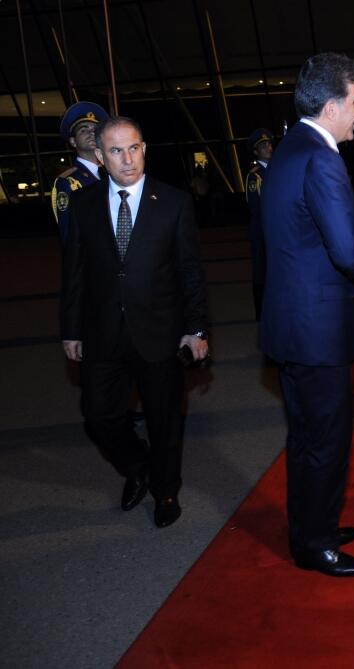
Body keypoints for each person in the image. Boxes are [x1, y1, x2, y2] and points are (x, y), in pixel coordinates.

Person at [259, 53, 354, 577]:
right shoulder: (321, 158)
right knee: (326, 441)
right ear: (332, 106)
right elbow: (345, 246)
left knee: (307, 438)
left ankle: (313, 527)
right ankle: (316, 545)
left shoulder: (290, 149)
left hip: (292, 325)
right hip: (317, 332)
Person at [60, 116, 209, 529]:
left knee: (165, 420)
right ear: (99, 156)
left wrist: (196, 329)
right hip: (102, 331)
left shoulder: (174, 202)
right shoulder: (83, 204)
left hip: (160, 330)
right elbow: (74, 271)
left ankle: (165, 489)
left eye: (134, 148)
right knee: (98, 414)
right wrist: (70, 328)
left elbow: (190, 271)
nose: (127, 159)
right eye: (116, 151)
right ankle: (138, 465)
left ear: (144, 149)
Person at [52, 101, 109, 243]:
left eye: (95, 129)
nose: (91, 133)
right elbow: (68, 234)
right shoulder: (68, 182)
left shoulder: (110, 174)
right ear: (73, 141)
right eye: (83, 130)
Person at [245, 128, 273, 320]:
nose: (268, 147)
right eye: (263, 146)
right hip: (262, 231)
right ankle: (262, 313)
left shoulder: (277, 169)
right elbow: (256, 207)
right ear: (256, 152)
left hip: (275, 231)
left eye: (269, 144)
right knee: (261, 273)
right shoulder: (255, 176)